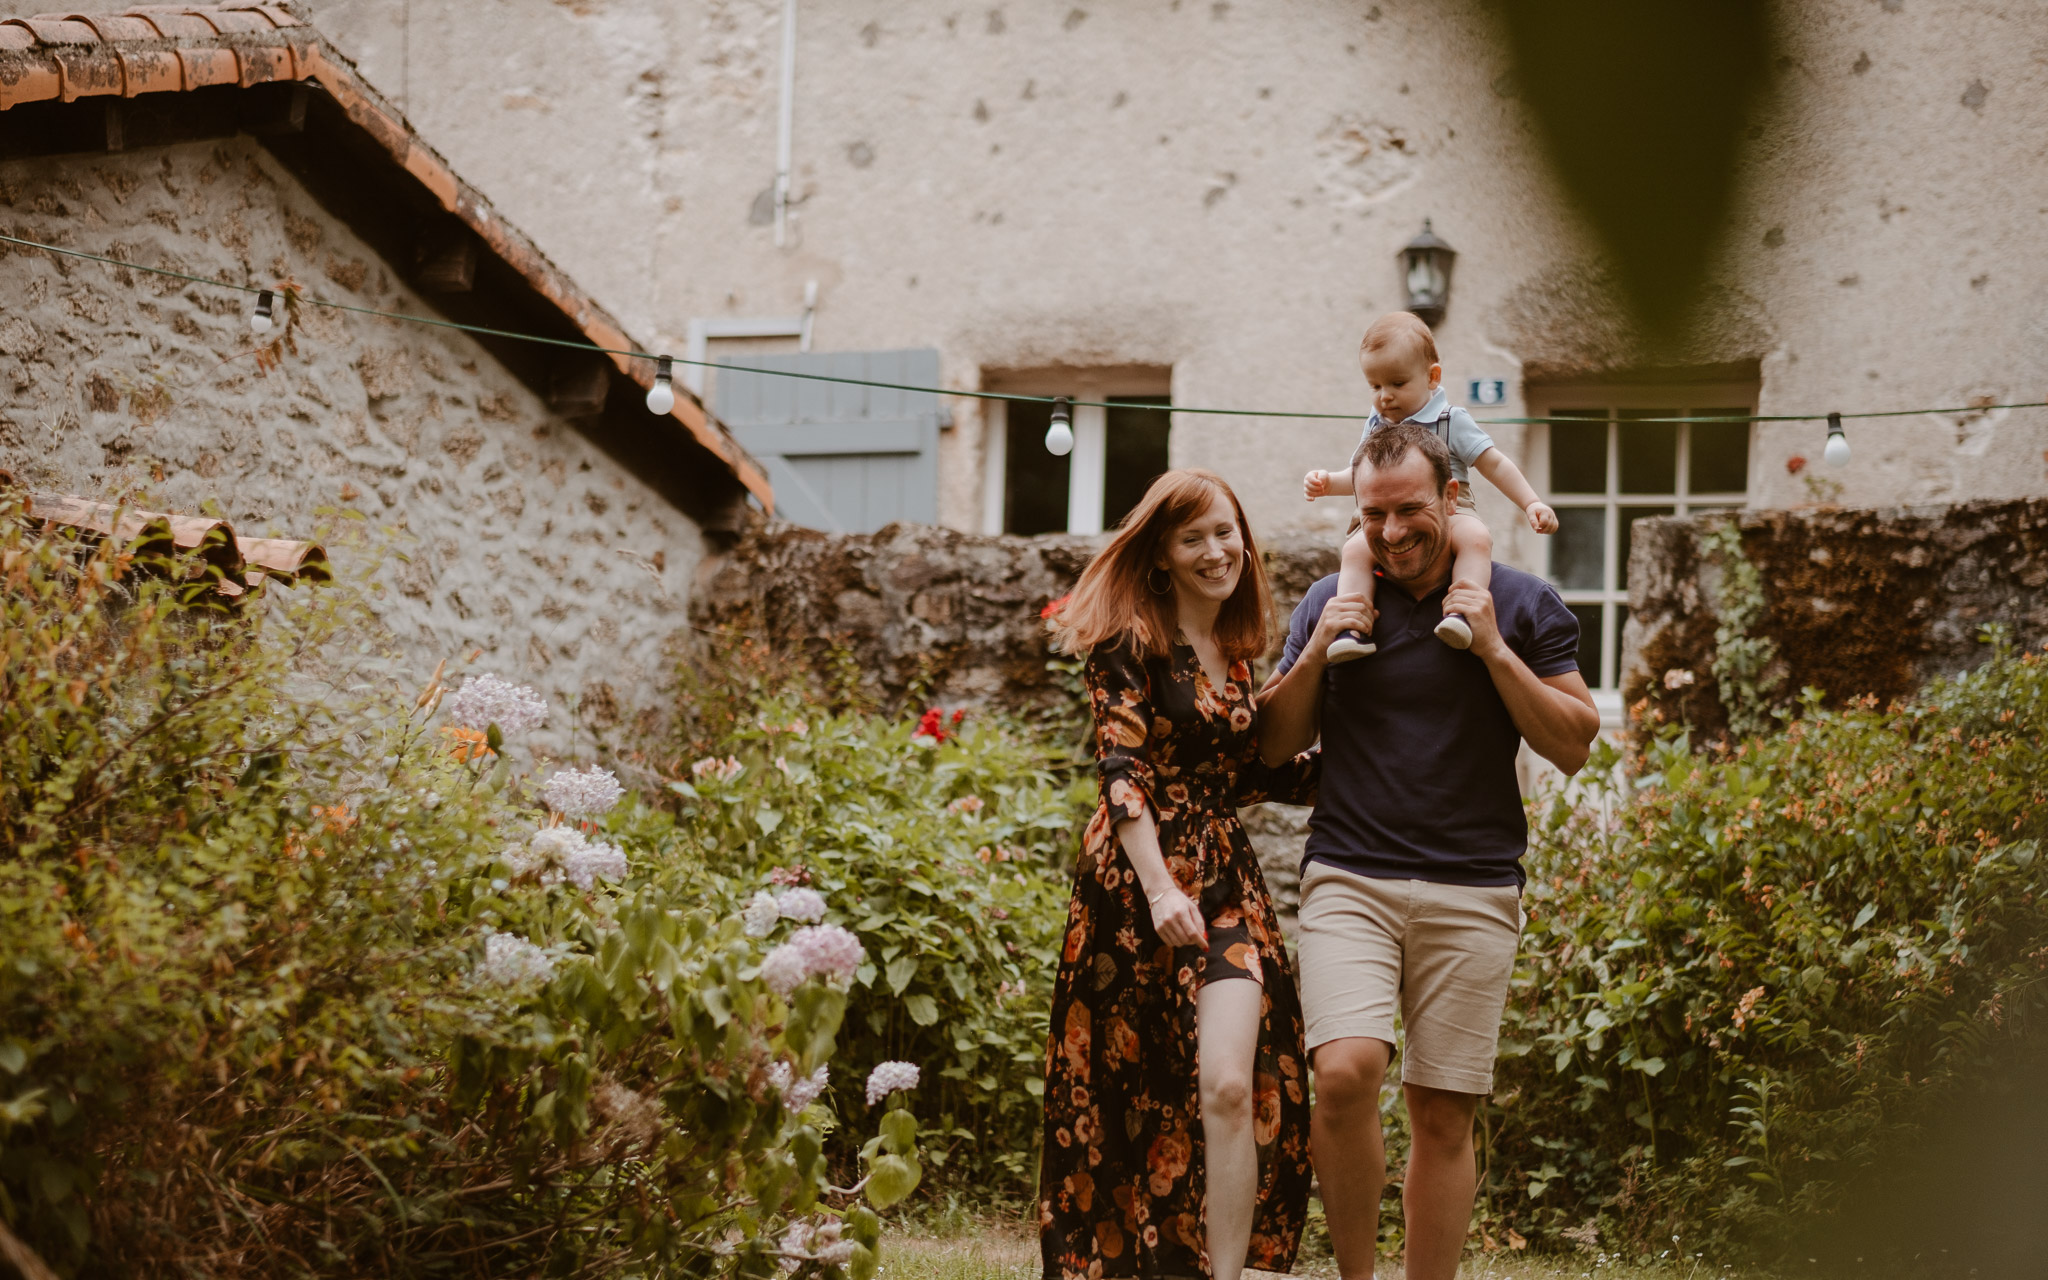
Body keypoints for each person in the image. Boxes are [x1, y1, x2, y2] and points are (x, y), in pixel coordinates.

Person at [1259, 424, 1600, 1280]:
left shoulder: (1521, 603)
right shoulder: (1327, 599)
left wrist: (1491, 648)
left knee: (1444, 1114)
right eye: (1373, 515)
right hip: (1349, 876)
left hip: (1475, 886)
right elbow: (1271, 747)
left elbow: (1574, 743)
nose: (1392, 532)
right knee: (1344, 1073)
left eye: (1410, 510)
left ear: (1451, 499)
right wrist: (1312, 659)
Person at [1038, 469, 1318, 1280]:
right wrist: (1160, 888)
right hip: (1132, 890)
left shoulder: (1235, 655)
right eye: (1193, 537)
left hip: (1225, 885)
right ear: (1161, 553)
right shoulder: (1126, 641)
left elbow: (1243, 774)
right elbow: (1120, 772)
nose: (1216, 550)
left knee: (1230, 1083)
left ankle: (1225, 1275)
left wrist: (1373, 768)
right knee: (1134, 1089)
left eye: (1225, 532)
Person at [1303, 312, 1557, 659]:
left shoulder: (1450, 420)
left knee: (1476, 538)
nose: (1385, 397)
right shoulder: (1377, 425)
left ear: (1432, 376)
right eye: (1375, 386)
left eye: (1397, 383)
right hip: (1381, 512)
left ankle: (1463, 614)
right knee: (1354, 551)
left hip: (1454, 507)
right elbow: (1360, 476)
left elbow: (1493, 462)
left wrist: (1530, 503)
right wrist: (1329, 483)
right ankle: (1353, 628)